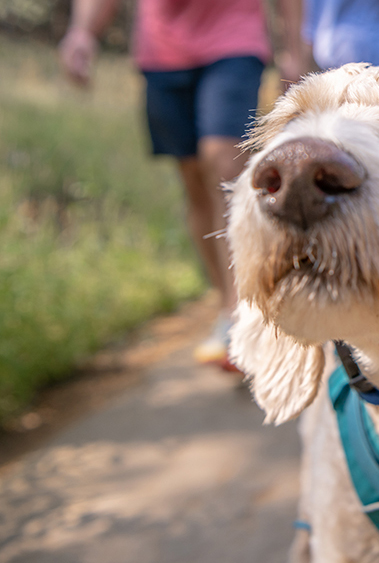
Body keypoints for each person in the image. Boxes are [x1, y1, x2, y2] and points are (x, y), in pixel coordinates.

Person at [59, 0, 307, 369]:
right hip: (162, 53)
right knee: (193, 179)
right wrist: (82, 32)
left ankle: (248, 309)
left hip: (233, 43)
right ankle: (228, 305)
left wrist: (295, 50)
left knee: (223, 161)